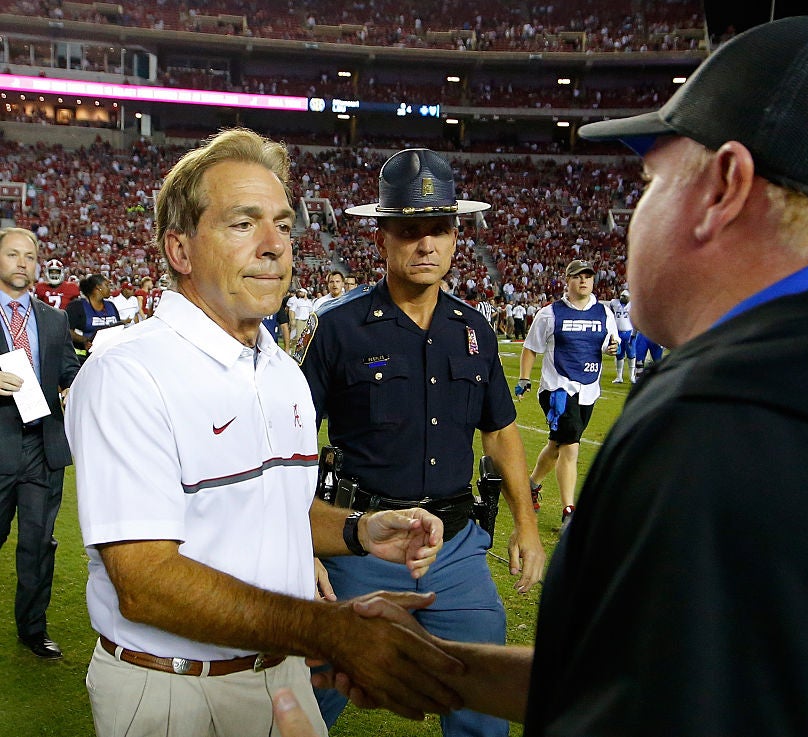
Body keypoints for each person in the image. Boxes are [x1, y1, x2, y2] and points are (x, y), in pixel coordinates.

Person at [330, 16, 808, 736]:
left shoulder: (728, 418)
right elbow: (681, 681)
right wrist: (453, 669)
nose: (637, 213)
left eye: (650, 180)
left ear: (725, 186)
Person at [64, 128, 465, 737]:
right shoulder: (129, 373)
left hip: (285, 674)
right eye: (243, 224)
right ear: (180, 249)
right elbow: (145, 582)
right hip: (177, 689)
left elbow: (276, 509)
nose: (277, 245)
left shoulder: (279, 369)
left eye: (283, 223)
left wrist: (358, 531)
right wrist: (328, 630)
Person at [298, 147, 545, 737]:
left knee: (481, 696)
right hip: (357, 545)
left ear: (457, 236)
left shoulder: (474, 329)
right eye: (410, 230)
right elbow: (293, 440)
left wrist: (527, 527)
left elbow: (502, 433)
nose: (426, 245)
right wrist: (300, 543)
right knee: (308, 696)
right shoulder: (339, 327)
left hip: (456, 548)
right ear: (382, 236)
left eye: (439, 229)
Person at [0, 227, 80, 659]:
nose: (22, 263)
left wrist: (78, 384)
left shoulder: (54, 318)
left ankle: (32, 629)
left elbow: (69, 370)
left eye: (29, 256)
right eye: (12, 254)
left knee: (38, 545)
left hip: (42, 448)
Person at [516, 259, 618, 526]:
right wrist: (524, 378)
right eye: (577, 276)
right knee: (571, 447)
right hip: (557, 389)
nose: (583, 281)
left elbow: (611, 342)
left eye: (588, 276)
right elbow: (531, 347)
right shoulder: (550, 313)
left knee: (557, 445)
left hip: (588, 390)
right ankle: (569, 512)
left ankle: (532, 485)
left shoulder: (604, 314)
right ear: (567, 280)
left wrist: (612, 349)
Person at [65, 274, 123, 361]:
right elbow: (67, 330)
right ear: (98, 287)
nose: (110, 288)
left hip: (109, 356)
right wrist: (84, 340)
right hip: (82, 358)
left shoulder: (111, 305)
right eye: (106, 285)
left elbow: (117, 327)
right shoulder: (77, 306)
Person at [606, 289, 634, 383]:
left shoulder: (632, 305)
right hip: (618, 333)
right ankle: (619, 377)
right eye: (622, 296)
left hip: (629, 332)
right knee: (619, 355)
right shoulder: (614, 303)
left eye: (624, 297)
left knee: (631, 355)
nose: (622, 298)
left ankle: (632, 376)